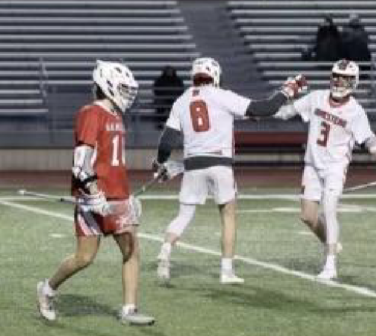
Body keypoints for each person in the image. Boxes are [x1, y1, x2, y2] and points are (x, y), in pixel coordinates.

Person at [152, 57, 307, 284]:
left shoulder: (181, 101)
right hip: (220, 164)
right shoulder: (222, 95)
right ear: (215, 75)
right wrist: (288, 90)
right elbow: (264, 107)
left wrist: (160, 163)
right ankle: (227, 271)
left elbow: (167, 141)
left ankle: (166, 249)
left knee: (184, 215)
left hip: (193, 165)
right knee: (228, 216)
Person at [36, 60, 155, 325]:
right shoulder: (92, 112)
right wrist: (93, 193)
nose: (127, 94)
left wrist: (126, 195)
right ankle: (46, 289)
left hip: (118, 197)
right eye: (123, 88)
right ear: (108, 85)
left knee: (132, 250)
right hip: (95, 198)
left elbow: (113, 162)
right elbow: (81, 162)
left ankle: (129, 310)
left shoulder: (116, 115)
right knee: (85, 257)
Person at [274, 59, 376, 280]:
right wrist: (270, 102)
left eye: (345, 78)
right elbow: (285, 112)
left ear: (354, 81)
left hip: (335, 166)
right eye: (336, 76)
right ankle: (331, 243)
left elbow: (370, 140)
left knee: (329, 208)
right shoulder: (317, 98)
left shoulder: (355, 111)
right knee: (307, 216)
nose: (339, 81)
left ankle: (330, 264)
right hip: (312, 165)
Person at [341, 13, 372, 80]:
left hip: (360, 51)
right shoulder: (346, 29)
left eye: (356, 20)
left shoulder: (361, 29)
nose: (355, 21)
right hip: (350, 51)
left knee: (366, 57)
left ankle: (363, 73)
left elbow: (366, 39)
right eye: (354, 20)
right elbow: (342, 40)